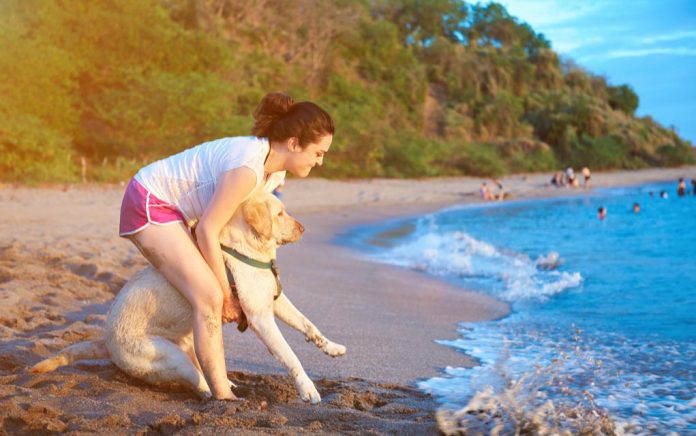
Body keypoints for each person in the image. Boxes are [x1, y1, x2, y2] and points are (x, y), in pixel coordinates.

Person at [117, 92, 334, 400]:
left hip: (180, 212)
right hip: (149, 202)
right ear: (295, 143)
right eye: (318, 152)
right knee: (210, 296)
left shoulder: (274, 172)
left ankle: (205, 372)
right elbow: (207, 229)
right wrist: (228, 294)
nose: (321, 160)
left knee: (207, 289)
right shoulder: (248, 169)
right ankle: (222, 394)